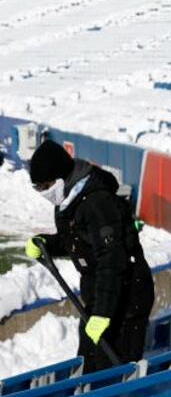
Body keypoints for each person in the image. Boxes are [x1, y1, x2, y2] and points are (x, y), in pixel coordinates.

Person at [24, 140, 154, 372]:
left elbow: (111, 260)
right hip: (100, 296)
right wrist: (46, 244)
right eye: (38, 188)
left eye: (46, 185)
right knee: (89, 365)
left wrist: (103, 313)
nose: (44, 192)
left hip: (127, 297)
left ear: (61, 177)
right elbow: (77, 241)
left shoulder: (98, 203)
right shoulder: (68, 201)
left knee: (112, 371)